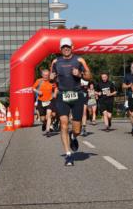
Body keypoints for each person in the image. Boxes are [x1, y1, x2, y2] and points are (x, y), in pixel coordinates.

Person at [50, 37, 92, 166]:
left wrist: (80, 74)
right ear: (60, 48)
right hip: (63, 95)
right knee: (63, 123)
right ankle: (68, 155)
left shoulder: (79, 60)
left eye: (68, 46)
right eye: (63, 47)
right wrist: (51, 79)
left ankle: (73, 136)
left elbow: (89, 76)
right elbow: (52, 79)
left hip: (77, 95)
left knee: (77, 129)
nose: (66, 49)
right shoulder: (55, 62)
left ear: (72, 47)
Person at [33, 68, 56, 134]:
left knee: (49, 115)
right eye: (44, 75)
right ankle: (44, 123)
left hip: (50, 100)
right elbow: (33, 88)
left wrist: (54, 93)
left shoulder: (51, 81)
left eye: (47, 75)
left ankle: (48, 130)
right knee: (42, 118)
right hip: (41, 101)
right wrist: (38, 91)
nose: (46, 76)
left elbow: (56, 88)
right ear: (42, 75)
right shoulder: (39, 81)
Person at [123, 64, 133, 135]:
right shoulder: (127, 76)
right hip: (131, 96)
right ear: (131, 68)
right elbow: (123, 86)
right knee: (132, 114)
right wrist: (129, 85)